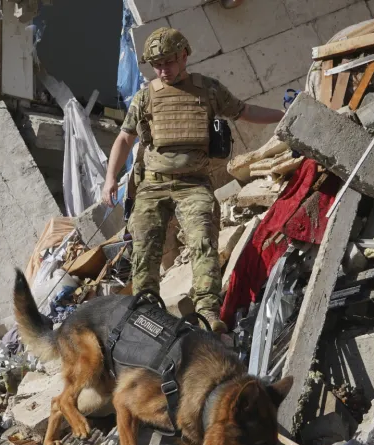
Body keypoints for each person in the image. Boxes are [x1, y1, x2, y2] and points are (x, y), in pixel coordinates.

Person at [101, 27, 285, 333]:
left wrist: (284, 114)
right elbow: (124, 139)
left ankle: (208, 313)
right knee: (145, 247)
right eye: (157, 65)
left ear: (184, 55)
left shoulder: (208, 90)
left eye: (169, 62)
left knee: (202, 241)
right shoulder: (145, 97)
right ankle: (146, 316)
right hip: (152, 185)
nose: (163, 70)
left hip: (194, 184)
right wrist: (110, 179)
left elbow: (245, 111)